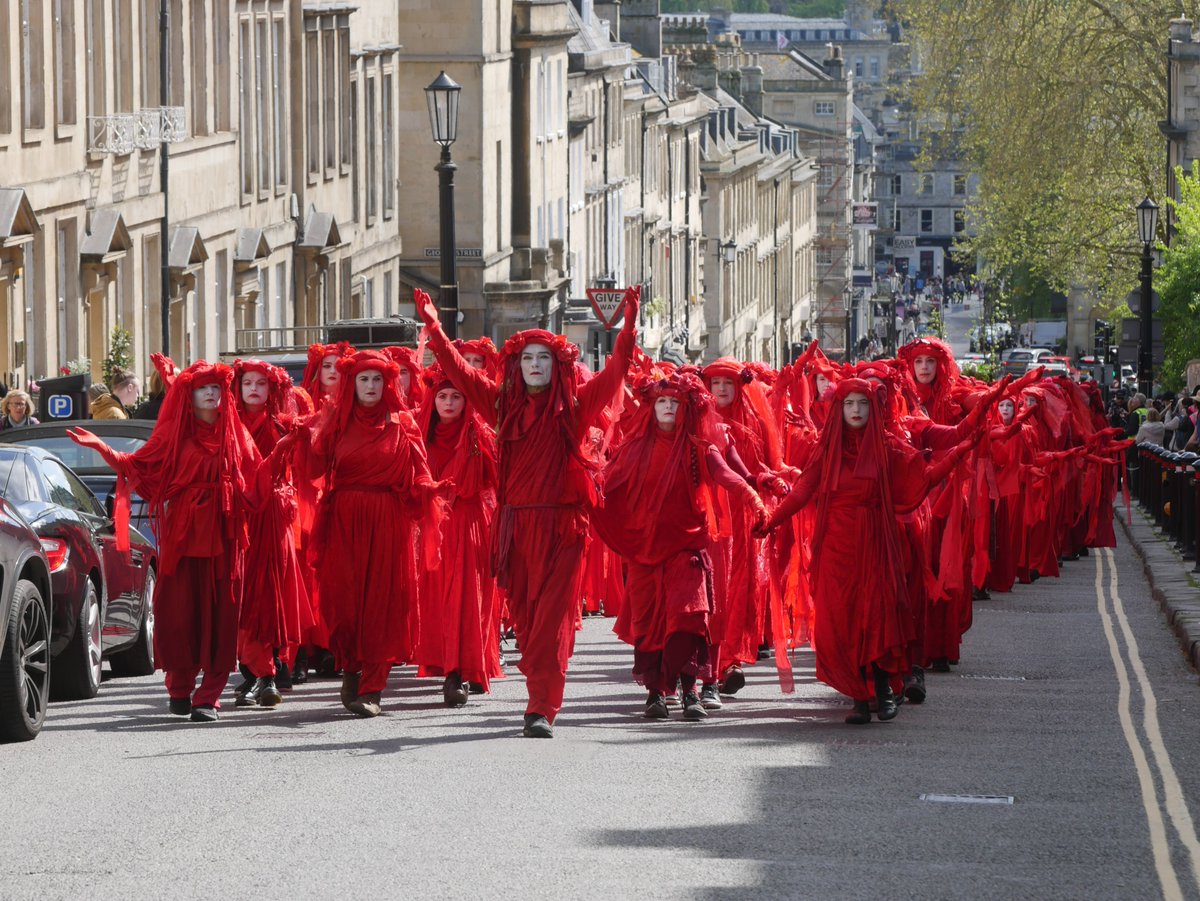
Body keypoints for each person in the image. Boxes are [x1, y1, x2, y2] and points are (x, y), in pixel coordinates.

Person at [417, 285, 640, 739]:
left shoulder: (575, 408)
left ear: (556, 366)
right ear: (516, 366)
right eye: (526, 358)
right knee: (523, 617)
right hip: (515, 527)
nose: (534, 365)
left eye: (543, 358)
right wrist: (434, 327)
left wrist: (628, 328)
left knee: (552, 622)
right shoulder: (500, 405)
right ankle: (538, 689)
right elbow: (458, 373)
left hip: (562, 528)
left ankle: (540, 706)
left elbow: (616, 371)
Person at [755, 379, 973, 724]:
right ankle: (858, 696)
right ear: (839, 410)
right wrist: (771, 520)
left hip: (875, 540)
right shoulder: (826, 449)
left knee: (878, 615)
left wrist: (961, 451)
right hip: (836, 548)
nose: (855, 410)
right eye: (849, 404)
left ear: (873, 408)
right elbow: (801, 493)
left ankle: (884, 690)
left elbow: (923, 478)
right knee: (842, 620)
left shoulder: (887, 446)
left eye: (862, 403)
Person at [66, 362, 267, 722]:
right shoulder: (174, 433)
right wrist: (102, 449)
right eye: (202, 388)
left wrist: (286, 451)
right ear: (188, 396)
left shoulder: (237, 435)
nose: (210, 394)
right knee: (178, 612)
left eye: (216, 388)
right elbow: (137, 466)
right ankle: (180, 685)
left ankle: (209, 697)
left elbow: (257, 479)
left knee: (223, 612)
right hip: (184, 535)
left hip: (224, 536)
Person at [593, 372, 768, 720]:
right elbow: (606, 483)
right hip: (647, 550)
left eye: (674, 402)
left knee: (689, 619)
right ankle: (657, 693)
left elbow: (723, 473)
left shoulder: (697, 445)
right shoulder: (634, 448)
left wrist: (751, 496)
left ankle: (691, 692)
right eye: (662, 402)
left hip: (689, 546)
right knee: (651, 624)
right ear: (652, 407)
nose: (669, 407)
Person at [305, 351, 443, 718]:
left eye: (377, 379)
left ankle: (373, 687)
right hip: (344, 520)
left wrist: (429, 489)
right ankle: (351, 669)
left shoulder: (404, 423)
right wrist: (302, 437)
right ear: (352, 382)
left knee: (384, 603)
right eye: (364, 379)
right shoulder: (335, 421)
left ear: (388, 383)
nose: (370, 386)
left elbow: (420, 470)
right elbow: (312, 468)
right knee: (344, 602)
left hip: (388, 521)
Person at [414, 365, 503, 706]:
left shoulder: (481, 436)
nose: (448, 403)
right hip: (436, 527)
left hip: (471, 524)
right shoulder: (422, 438)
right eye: (442, 397)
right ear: (432, 401)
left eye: (456, 397)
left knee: (471, 599)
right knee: (442, 602)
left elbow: (498, 480)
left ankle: (461, 672)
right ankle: (453, 667)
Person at [231, 359, 310, 708]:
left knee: (267, 595)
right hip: (238, 517)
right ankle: (257, 673)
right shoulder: (227, 425)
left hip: (272, 519)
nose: (253, 389)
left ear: (272, 389)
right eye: (248, 382)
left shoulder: (282, 426)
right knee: (242, 596)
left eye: (261, 384)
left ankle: (265, 673)